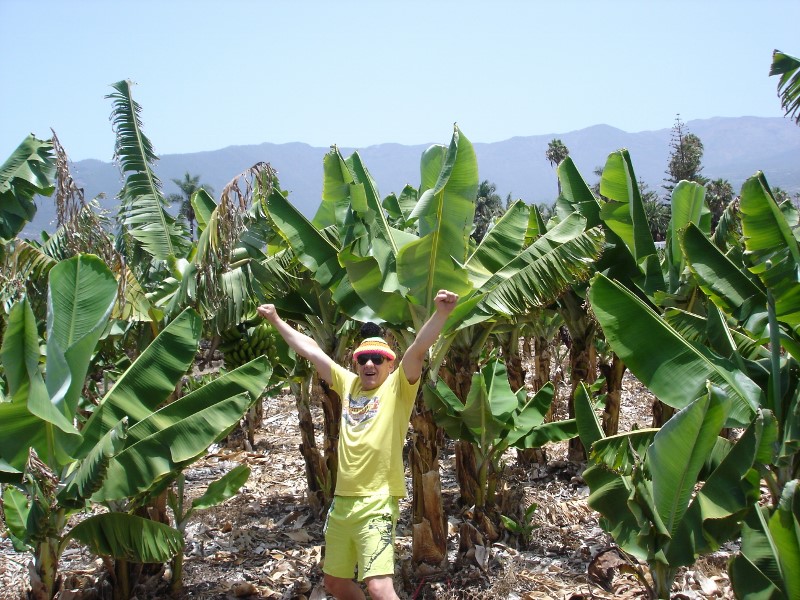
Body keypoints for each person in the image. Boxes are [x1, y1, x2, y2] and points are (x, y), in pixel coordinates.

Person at [257, 290, 459, 600]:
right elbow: (311, 351)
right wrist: (275, 320)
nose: (369, 364)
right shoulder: (348, 384)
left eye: (377, 359)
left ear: (389, 364)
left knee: (379, 587)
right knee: (335, 583)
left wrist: (442, 313)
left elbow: (418, 349)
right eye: (363, 359)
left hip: (377, 502)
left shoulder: (397, 387)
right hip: (342, 502)